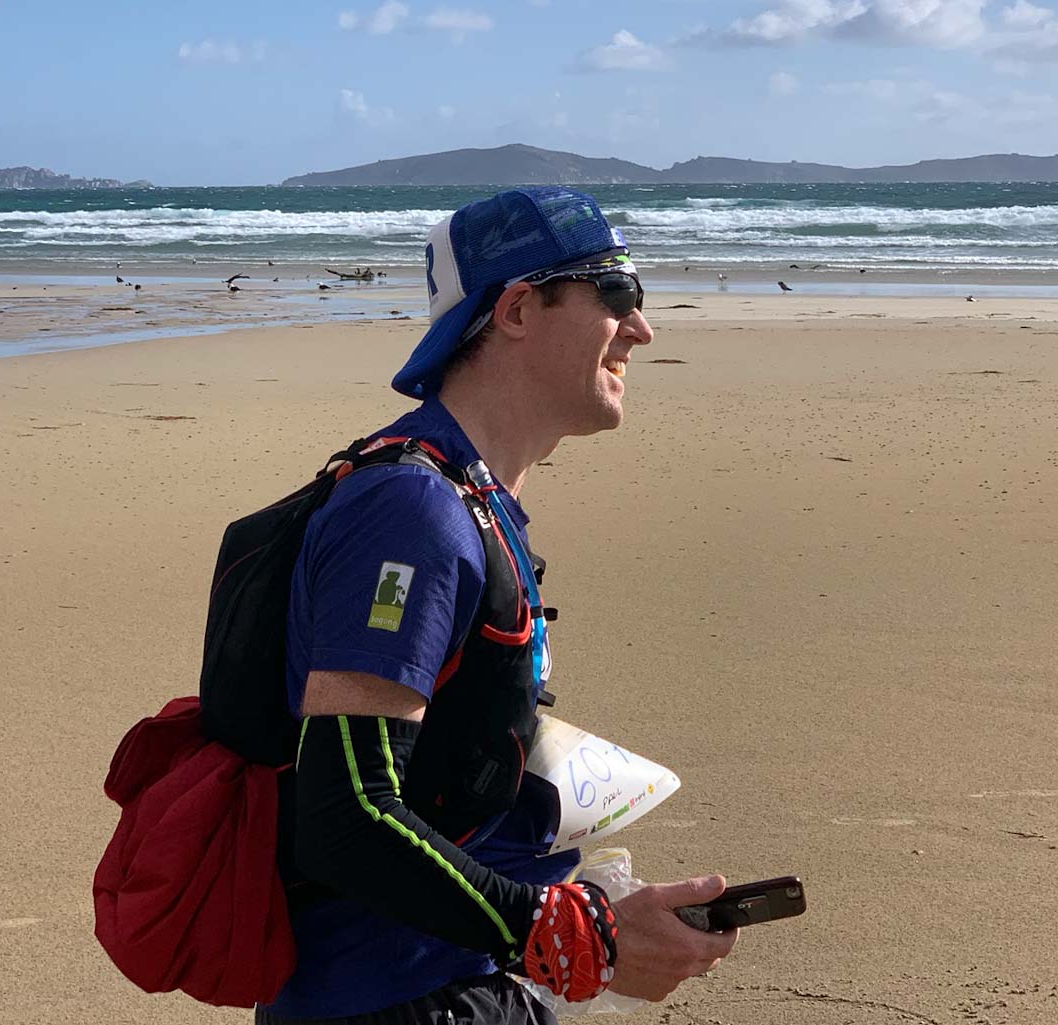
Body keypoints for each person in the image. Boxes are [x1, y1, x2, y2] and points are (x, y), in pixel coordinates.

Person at [264, 187, 737, 1024]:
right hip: (394, 1001)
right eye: (616, 291)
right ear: (517, 309)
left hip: (457, 979)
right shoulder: (409, 511)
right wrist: (572, 934)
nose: (640, 328)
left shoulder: (471, 498)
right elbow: (346, 814)